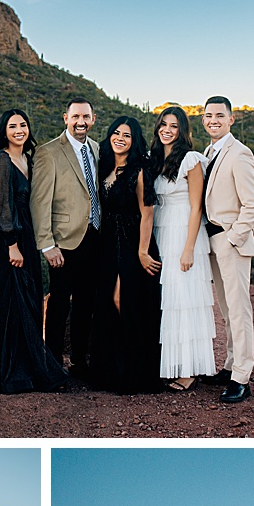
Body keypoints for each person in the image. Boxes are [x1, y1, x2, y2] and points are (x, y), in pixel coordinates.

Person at [0, 108, 69, 395]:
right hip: (9, 240)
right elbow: (1, 205)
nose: (19, 130)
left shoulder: (28, 158)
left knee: (29, 301)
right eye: (12, 126)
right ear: (3, 131)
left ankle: (29, 367)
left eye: (23, 125)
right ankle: (14, 373)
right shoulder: (1, 160)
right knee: (13, 302)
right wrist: (11, 245)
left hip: (28, 235)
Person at [89, 116, 163, 394]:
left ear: (134, 141)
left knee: (125, 301)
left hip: (133, 243)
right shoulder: (105, 166)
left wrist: (143, 251)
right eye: (116, 133)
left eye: (127, 135)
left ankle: (135, 373)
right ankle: (110, 372)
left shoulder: (138, 169)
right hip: (108, 244)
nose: (120, 138)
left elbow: (147, 212)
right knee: (107, 303)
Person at [32, 95, 102, 378]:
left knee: (86, 301)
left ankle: (80, 362)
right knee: (60, 302)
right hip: (63, 241)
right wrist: (47, 244)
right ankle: (52, 363)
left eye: (86, 117)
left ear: (93, 119)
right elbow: (40, 202)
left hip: (94, 237)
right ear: (66, 118)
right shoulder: (49, 152)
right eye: (75, 117)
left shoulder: (97, 148)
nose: (81, 122)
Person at [200, 97, 254, 404]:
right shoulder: (208, 153)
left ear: (231, 119)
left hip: (231, 242)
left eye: (219, 115)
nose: (214, 120)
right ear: (203, 120)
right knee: (225, 309)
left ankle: (242, 377)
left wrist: (233, 238)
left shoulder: (239, 153)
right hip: (211, 241)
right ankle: (229, 364)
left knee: (239, 310)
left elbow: (253, 205)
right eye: (208, 115)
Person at [149, 106, 216, 390]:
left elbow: (196, 207)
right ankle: (170, 364)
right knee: (167, 301)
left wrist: (188, 249)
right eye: (163, 124)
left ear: (182, 131)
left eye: (174, 126)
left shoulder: (189, 159)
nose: (167, 130)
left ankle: (188, 370)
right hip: (160, 233)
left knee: (183, 299)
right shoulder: (154, 159)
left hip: (183, 235)